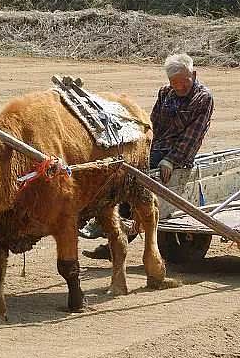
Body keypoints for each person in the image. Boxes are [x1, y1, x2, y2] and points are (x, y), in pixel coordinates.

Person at [81, 53, 214, 259]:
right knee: (120, 164)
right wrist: (140, 147)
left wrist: (171, 160)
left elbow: (192, 137)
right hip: (155, 148)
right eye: (174, 82)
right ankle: (110, 228)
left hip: (177, 156)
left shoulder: (203, 98)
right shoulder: (165, 93)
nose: (179, 87)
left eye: (184, 82)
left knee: (131, 180)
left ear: (194, 74)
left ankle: (106, 223)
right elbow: (152, 124)